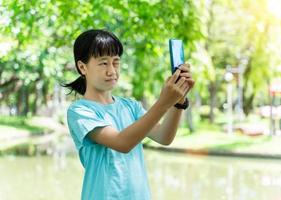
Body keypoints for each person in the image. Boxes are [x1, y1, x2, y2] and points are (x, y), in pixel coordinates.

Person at [63, 29, 195, 200]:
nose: (112, 71)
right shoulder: (80, 111)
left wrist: (178, 102)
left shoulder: (130, 106)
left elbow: (164, 137)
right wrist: (163, 102)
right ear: (82, 67)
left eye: (115, 62)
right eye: (103, 63)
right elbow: (122, 143)